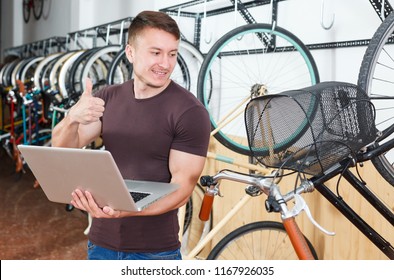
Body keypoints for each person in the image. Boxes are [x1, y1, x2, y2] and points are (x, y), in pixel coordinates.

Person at [51, 10, 211, 260]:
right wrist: (72, 117)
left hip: (155, 252)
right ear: (130, 53)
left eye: (172, 54)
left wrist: (129, 210)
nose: (165, 64)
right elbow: (62, 151)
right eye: (155, 52)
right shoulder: (107, 98)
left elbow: (181, 189)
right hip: (101, 244)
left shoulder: (189, 112)